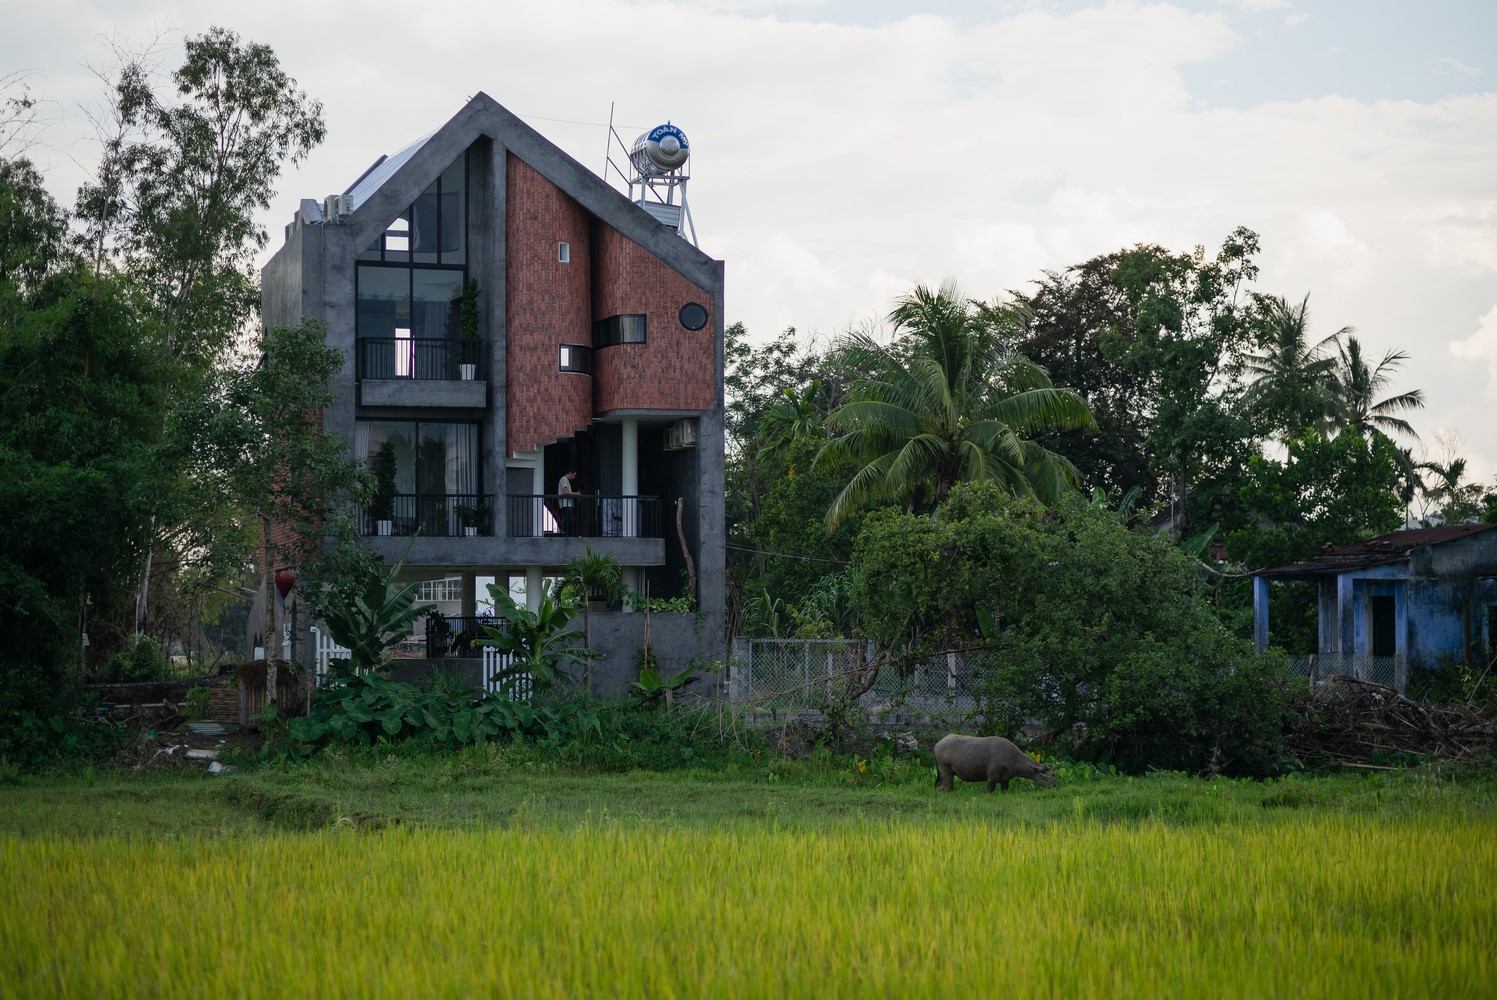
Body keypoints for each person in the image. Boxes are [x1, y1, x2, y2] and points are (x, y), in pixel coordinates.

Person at [557, 469, 579, 536]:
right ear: (570, 473)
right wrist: (576, 493)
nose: (574, 477)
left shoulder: (566, 480)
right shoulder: (564, 479)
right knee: (569, 520)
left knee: (568, 520)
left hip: (567, 504)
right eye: (573, 475)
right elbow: (565, 492)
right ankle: (566, 534)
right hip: (565, 504)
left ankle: (565, 533)